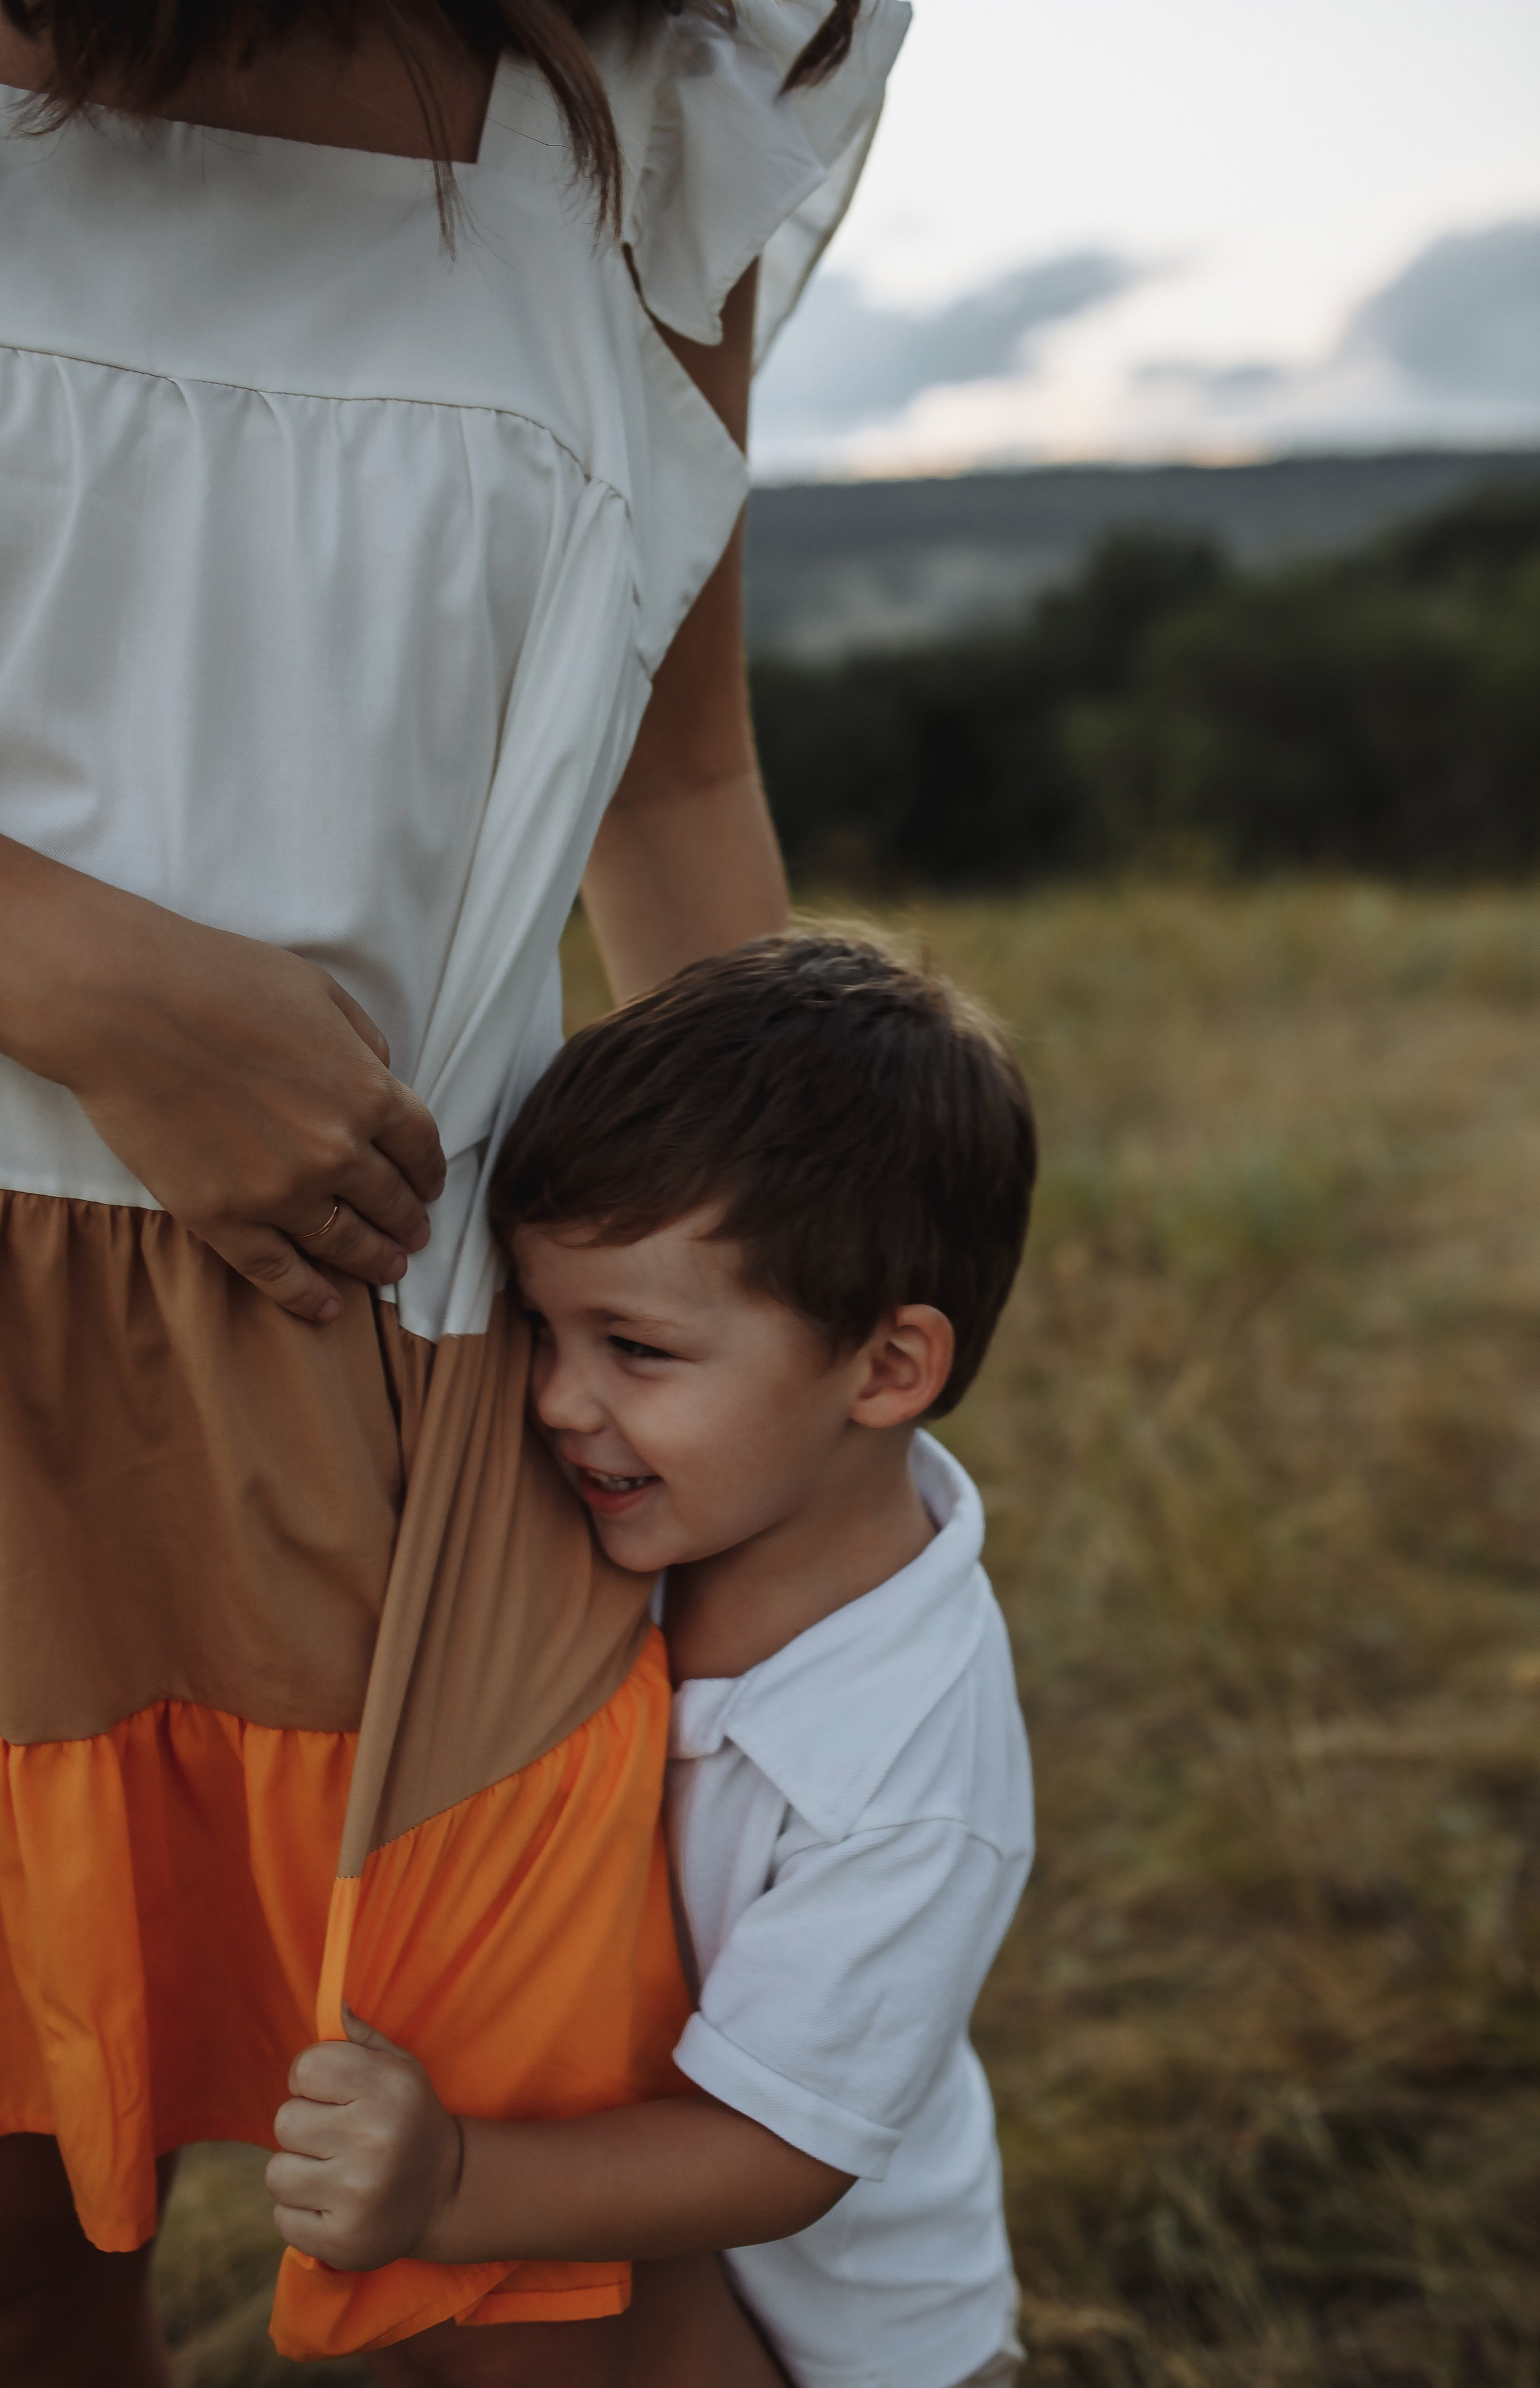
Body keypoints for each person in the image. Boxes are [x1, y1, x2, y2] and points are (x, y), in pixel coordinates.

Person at [0, 2, 910, 2381]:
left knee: (528, 2290)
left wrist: (803, 1339)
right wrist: (75, 975)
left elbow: (676, 782)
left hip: (448, 1394)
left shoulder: (660, 117)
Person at [265, 933, 1039, 2388]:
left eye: (634, 1347)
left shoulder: (905, 1772)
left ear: (884, 1370)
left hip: (846, 2345)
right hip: (623, 2267)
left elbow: (778, 2154)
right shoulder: (653, 1519)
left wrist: (452, 2189)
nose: (556, 1400)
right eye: (542, 1330)